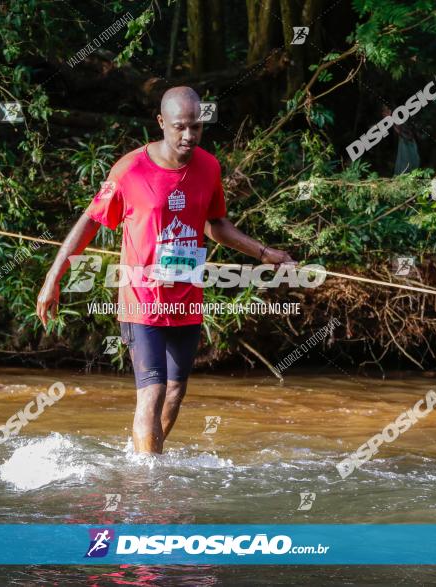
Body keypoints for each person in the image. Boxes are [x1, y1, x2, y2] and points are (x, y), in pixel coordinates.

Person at [36, 86, 295, 454]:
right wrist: (53, 278)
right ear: (161, 123)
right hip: (141, 299)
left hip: (187, 299)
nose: (188, 136)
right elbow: (90, 222)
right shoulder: (130, 170)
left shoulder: (208, 167)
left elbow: (216, 224)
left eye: (196, 128)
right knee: (153, 392)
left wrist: (265, 253)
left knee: (175, 392)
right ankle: (148, 485)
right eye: (179, 128)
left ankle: (141, 459)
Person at [381, 104, 420, 175]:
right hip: (403, 141)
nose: (384, 113)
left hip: (407, 142)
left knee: (408, 162)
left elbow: (406, 132)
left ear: (390, 111)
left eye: (386, 110)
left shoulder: (397, 117)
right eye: (383, 111)